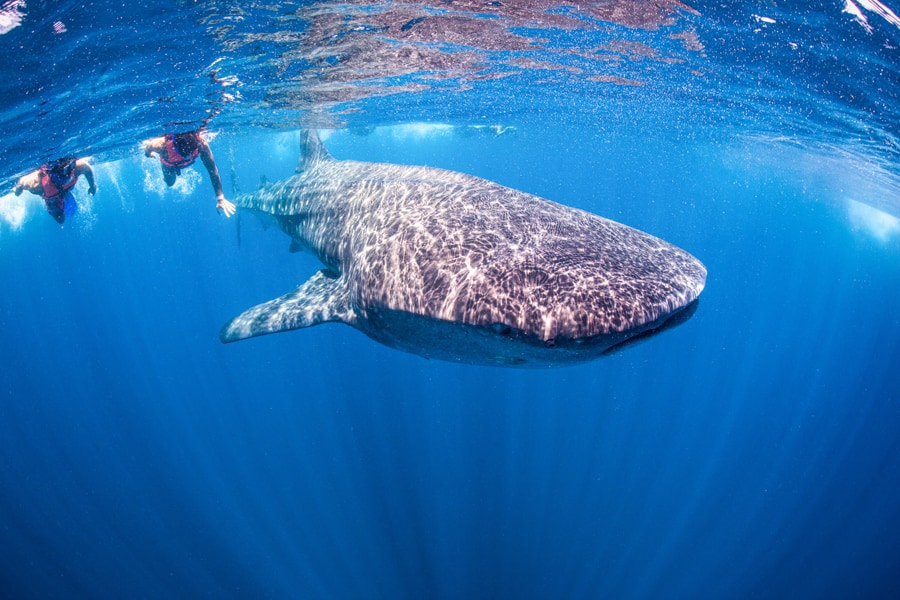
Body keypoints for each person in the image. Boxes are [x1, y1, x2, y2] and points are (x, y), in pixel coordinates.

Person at [143, 130, 236, 217]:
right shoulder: (160, 145)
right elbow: (147, 150)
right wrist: (149, 155)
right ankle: (165, 175)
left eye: (190, 153)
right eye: (184, 153)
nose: (187, 156)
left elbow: (212, 171)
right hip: (169, 165)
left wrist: (220, 198)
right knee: (170, 183)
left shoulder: (201, 145)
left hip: (179, 162)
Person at [13, 157, 97, 224]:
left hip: (52, 184)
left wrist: (18, 189)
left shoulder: (39, 187)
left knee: (60, 218)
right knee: (59, 217)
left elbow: (22, 182)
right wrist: (92, 185)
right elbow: (85, 167)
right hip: (53, 185)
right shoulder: (40, 187)